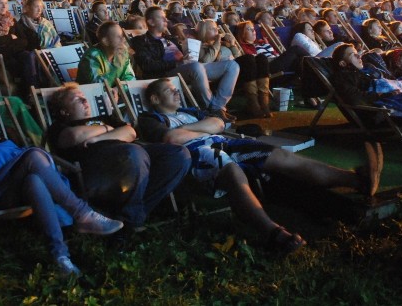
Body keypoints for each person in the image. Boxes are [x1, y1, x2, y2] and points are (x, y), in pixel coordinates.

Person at [138, 78, 384, 253]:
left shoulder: (189, 111)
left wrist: (189, 129)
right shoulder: (150, 119)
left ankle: (357, 180)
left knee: (283, 157)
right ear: (155, 98)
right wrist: (200, 129)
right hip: (197, 154)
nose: (177, 93)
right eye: (170, 90)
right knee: (232, 172)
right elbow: (171, 139)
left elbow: (219, 124)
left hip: (225, 142)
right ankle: (273, 233)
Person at [0, 107, 123, 277]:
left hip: (20, 190)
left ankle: (60, 256)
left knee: (34, 180)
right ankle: (83, 213)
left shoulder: (5, 145)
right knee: (33, 156)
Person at [47, 83, 190, 238]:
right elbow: (75, 136)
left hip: (131, 157)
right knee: (133, 152)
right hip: (97, 167)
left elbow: (130, 132)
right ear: (64, 111)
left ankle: (125, 217)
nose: (85, 101)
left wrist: (99, 137)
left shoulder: (105, 118)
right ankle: (130, 223)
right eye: (77, 99)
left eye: (84, 98)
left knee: (178, 154)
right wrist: (109, 129)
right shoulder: (59, 127)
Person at [131, 6, 239, 118]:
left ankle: (217, 106)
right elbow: (147, 66)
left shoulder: (170, 38)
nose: (165, 20)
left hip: (188, 67)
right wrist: (177, 63)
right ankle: (214, 111)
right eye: (161, 18)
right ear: (151, 22)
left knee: (232, 66)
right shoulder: (140, 41)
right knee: (196, 67)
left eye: (165, 17)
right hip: (166, 73)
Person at [0, 0, 39, 93]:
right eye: (0, 3)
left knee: (29, 56)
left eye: (6, 3)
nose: (4, 6)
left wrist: (6, 42)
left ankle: (32, 92)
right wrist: (11, 38)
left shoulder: (11, 21)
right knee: (18, 62)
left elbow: (24, 41)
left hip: (14, 54)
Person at [76, 21, 135, 88]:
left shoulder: (122, 52)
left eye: (123, 36)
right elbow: (98, 87)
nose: (123, 39)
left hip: (114, 95)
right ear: (105, 41)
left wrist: (118, 90)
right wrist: (116, 67)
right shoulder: (92, 57)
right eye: (119, 37)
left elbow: (130, 78)